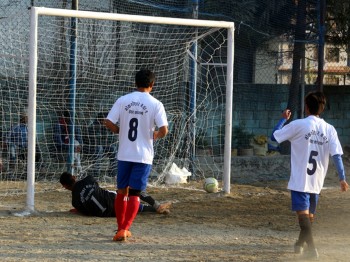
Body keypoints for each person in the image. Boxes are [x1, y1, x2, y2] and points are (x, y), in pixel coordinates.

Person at [270, 91, 349, 259]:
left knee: (305, 220)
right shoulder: (329, 129)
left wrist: (284, 118)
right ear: (322, 108)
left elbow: (274, 136)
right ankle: (300, 244)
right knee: (308, 219)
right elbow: (337, 155)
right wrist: (342, 178)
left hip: (300, 180)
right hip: (316, 183)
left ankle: (312, 249)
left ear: (306, 107)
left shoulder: (298, 124)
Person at [104, 69, 168, 241]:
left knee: (121, 192)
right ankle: (125, 229)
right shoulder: (156, 104)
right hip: (143, 155)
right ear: (152, 85)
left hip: (124, 153)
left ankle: (119, 228)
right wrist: (155, 135)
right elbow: (164, 130)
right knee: (135, 193)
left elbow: (108, 122)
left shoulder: (123, 100)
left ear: (135, 83)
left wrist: (120, 131)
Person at [59, 172, 171, 217]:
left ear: (64, 186)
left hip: (110, 214)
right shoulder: (88, 179)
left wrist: (77, 209)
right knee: (133, 190)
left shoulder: (75, 202)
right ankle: (157, 206)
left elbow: (87, 212)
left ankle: (153, 209)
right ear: (74, 177)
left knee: (130, 208)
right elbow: (96, 188)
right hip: (113, 200)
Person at [85, 112, 117, 177]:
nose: (108, 121)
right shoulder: (93, 127)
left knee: (113, 148)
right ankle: (96, 173)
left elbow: (111, 140)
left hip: (103, 146)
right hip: (91, 148)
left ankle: (113, 173)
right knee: (99, 149)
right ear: (100, 119)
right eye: (106, 119)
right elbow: (94, 141)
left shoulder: (107, 127)